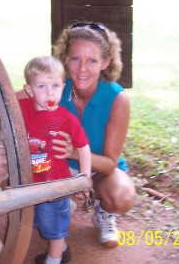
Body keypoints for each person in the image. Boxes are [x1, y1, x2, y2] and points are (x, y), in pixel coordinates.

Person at [0, 56, 91, 264]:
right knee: (37, 220)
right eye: (42, 86)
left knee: (53, 227)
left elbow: (83, 145)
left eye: (55, 86)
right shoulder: (24, 108)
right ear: (29, 90)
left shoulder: (66, 118)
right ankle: (61, 248)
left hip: (54, 185)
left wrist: (85, 176)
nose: (50, 92)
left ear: (63, 87)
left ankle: (55, 258)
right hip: (28, 181)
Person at [50, 21, 136, 248]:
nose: (82, 68)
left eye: (92, 60)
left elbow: (109, 163)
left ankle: (104, 213)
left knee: (122, 196)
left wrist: (75, 152)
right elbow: (12, 101)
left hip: (99, 170)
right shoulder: (55, 86)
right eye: (75, 58)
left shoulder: (117, 99)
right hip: (60, 168)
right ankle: (65, 198)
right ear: (65, 58)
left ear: (106, 62)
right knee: (17, 187)